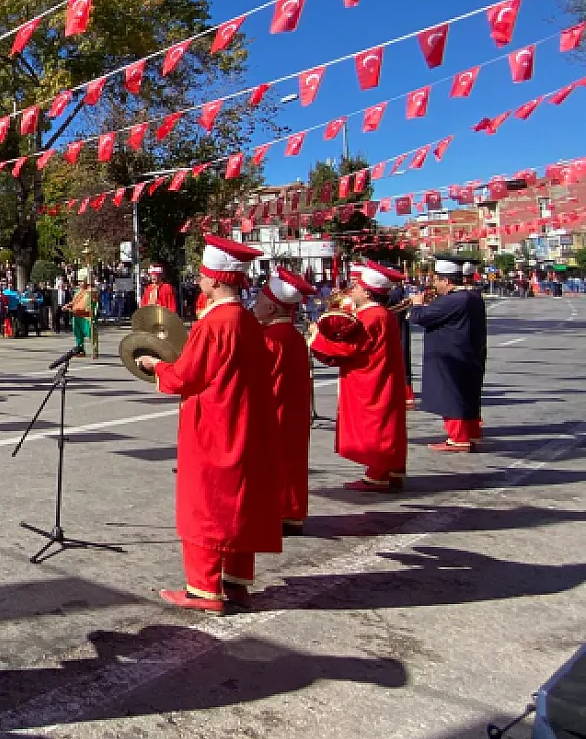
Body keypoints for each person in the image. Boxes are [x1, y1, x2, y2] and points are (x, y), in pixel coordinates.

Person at [137, 236, 280, 614]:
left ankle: (203, 589)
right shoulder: (247, 321)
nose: (198, 280)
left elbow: (187, 376)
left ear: (216, 281)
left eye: (202, 275)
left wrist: (157, 367)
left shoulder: (215, 324)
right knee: (236, 503)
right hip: (242, 422)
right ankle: (235, 582)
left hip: (214, 424)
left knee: (205, 503)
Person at [309, 261, 409, 493]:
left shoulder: (371, 316)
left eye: (356, 285)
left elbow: (348, 348)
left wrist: (317, 338)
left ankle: (378, 472)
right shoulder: (381, 314)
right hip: (381, 375)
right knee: (386, 423)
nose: (352, 289)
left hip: (369, 379)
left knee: (375, 426)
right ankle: (391, 468)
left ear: (366, 291)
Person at [252, 267, 317, 536]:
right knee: (293, 461)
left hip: (274, 409)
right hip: (294, 409)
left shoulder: (269, 338)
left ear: (270, 307)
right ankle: (292, 512)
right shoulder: (292, 336)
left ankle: (277, 513)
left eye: (258, 300)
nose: (254, 305)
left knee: (273, 463)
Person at [410, 256, 488, 452]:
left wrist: (417, 304)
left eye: (436, 280)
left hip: (448, 355)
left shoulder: (452, 300)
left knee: (450, 396)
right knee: (468, 395)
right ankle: (472, 432)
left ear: (446, 280)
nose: (435, 285)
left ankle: (458, 438)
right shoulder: (473, 297)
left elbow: (420, 317)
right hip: (469, 353)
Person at [69, 271, 99, 358]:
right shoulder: (78, 292)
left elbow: (94, 300)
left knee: (91, 334)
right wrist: (69, 305)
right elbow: (74, 302)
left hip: (87, 316)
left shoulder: (91, 291)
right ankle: (80, 350)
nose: (80, 283)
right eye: (79, 281)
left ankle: (94, 351)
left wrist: (91, 288)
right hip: (76, 315)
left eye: (82, 281)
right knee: (78, 335)